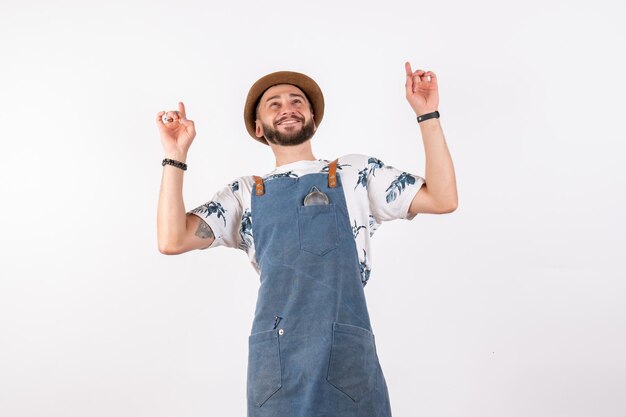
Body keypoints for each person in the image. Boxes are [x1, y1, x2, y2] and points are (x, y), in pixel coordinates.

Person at [155, 62, 457, 416]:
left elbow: (442, 198)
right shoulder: (245, 194)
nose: (288, 108)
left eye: (297, 101)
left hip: (345, 359)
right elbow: (171, 239)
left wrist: (427, 115)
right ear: (258, 126)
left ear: (313, 116)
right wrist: (175, 156)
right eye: (275, 104)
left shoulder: (355, 174)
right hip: (278, 366)